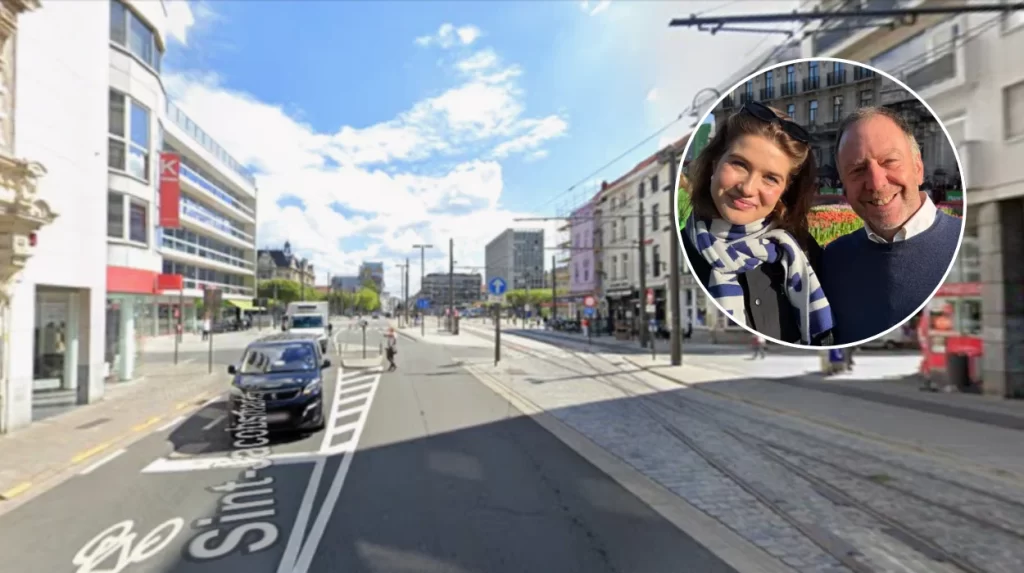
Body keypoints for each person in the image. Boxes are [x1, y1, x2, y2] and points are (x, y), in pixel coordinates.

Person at [680, 100, 835, 346]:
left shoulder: (803, 250)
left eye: (771, 178)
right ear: (714, 163)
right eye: (739, 164)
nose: (748, 188)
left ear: (784, 190)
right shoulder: (683, 250)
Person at [819, 107, 961, 344]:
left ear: (918, 168)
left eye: (890, 161)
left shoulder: (966, 247)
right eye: (857, 170)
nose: (876, 183)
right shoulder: (832, 261)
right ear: (843, 183)